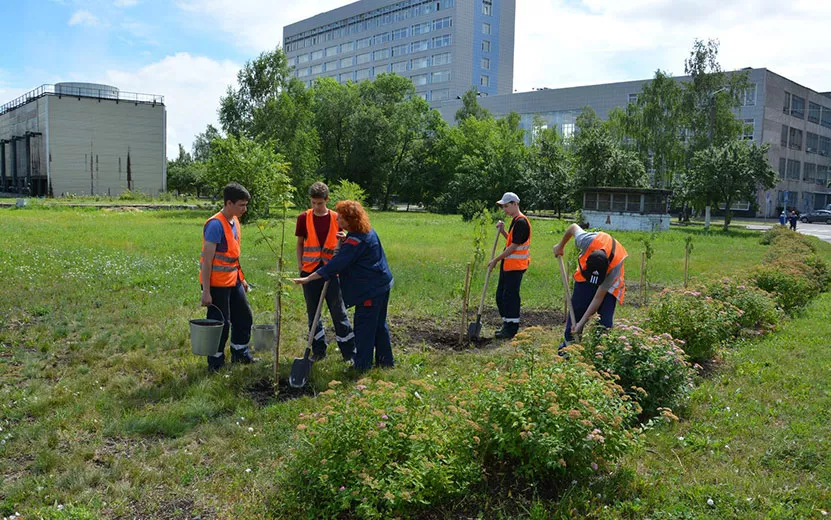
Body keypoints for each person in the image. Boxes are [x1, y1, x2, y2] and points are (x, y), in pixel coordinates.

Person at [292, 200, 394, 372]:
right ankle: (385, 362)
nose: (337, 220)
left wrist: (309, 278)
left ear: (351, 221)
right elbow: (360, 247)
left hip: (370, 290)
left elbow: (335, 265)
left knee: (364, 327)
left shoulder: (354, 243)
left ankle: (361, 366)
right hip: (382, 284)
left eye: (341, 218)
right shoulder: (366, 231)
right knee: (378, 325)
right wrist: (346, 238)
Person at [295, 182, 356, 362]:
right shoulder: (303, 218)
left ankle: (349, 352)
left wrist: (345, 238)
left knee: (338, 312)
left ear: (327, 200)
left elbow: (348, 240)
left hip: (332, 272)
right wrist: (300, 266)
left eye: (320, 203)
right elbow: (300, 243)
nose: (316, 207)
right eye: (313, 203)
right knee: (313, 313)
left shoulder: (337, 218)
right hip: (309, 272)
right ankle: (318, 350)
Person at [200, 182, 255, 372]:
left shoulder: (235, 222)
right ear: (228, 203)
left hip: (233, 281)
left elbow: (233, 256)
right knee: (220, 324)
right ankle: (215, 362)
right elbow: (207, 262)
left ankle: (240, 353)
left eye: (246, 205)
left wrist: (242, 279)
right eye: (241, 205)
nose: (244, 209)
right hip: (216, 285)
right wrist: (206, 292)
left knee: (244, 316)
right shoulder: (215, 225)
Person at [553, 224, 628, 349]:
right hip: (584, 277)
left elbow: (598, 298)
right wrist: (560, 246)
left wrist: (582, 324)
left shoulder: (614, 268)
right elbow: (572, 227)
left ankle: (600, 353)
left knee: (605, 323)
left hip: (609, 286)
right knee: (576, 312)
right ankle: (568, 350)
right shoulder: (586, 240)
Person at [488, 192, 531, 339]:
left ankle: (511, 328)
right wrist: (503, 231)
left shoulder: (521, 222)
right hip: (509, 265)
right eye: (503, 207)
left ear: (515, 204)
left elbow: (513, 248)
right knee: (501, 296)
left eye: (506, 206)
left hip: (516, 266)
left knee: (510, 297)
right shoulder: (515, 220)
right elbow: (512, 241)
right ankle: (506, 324)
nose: (504, 209)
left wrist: (495, 260)